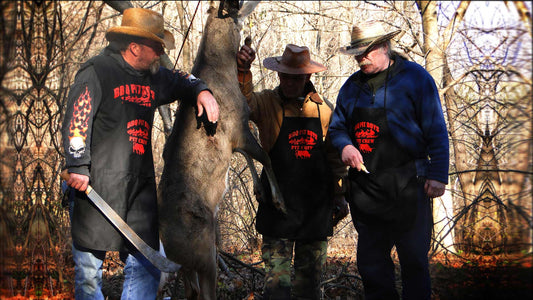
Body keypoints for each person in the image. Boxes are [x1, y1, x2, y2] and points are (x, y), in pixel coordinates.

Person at [61, 8, 219, 299]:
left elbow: (184, 79)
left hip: (137, 191)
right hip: (94, 185)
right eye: (156, 46)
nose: (161, 52)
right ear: (134, 47)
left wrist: (202, 90)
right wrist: (78, 165)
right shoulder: (97, 71)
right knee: (88, 273)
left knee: (147, 265)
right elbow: (77, 118)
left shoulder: (154, 76)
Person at [328, 20, 449, 299]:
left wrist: (438, 173)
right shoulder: (351, 87)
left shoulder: (416, 78)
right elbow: (337, 128)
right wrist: (345, 146)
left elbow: (436, 129)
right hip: (366, 190)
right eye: (357, 53)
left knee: (415, 262)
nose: (361, 58)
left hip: (409, 185)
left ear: (384, 46)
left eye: (366, 51)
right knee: (372, 267)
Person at [236, 43, 348, 299]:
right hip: (278, 207)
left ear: (307, 77)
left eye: (295, 77)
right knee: (277, 288)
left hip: (315, 209)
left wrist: (340, 194)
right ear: (278, 75)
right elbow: (243, 102)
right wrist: (243, 70)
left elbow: (335, 157)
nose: (288, 82)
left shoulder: (324, 109)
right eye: (284, 76)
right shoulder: (266, 103)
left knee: (309, 287)